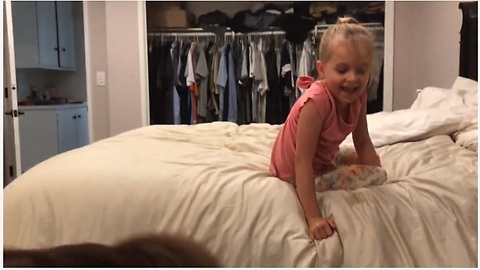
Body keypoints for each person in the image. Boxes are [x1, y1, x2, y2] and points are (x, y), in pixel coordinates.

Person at [269, 17, 388, 241]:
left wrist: (373, 166)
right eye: (342, 70)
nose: (352, 78)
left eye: (361, 70)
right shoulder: (316, 103)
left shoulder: (359, 96)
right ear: (322, 69)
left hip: (320, 159)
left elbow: (362, 140)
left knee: (371, 165)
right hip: (293, 172)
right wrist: (313, 218)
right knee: (378, 174)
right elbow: (301, 161)